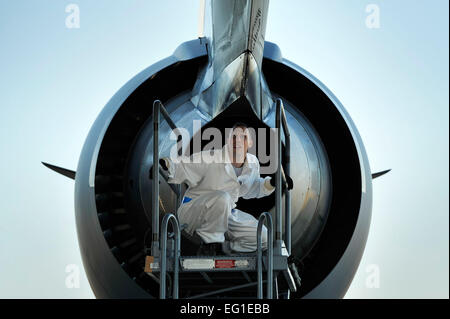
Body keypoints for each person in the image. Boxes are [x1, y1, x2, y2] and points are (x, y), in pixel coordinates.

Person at [155, 122, 293, 255]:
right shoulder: (211, 157)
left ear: (250, 143)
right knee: (222, 198)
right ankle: (211, 245)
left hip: (225, 213)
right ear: (228, 140)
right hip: (195, 210)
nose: (237, 140)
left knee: (263, 238)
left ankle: (225, 248)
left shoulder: (252, 163)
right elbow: (184, 165)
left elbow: (252, 188)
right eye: (234, 136)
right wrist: (167, 164)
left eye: (243, 137)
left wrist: (273, 183)